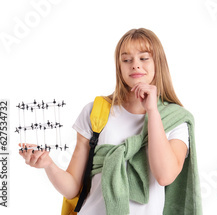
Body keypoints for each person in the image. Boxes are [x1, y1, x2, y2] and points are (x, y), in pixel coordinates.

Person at [19, 28, 201, 214]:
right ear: (119, 67)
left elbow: (164, 176)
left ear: (158, 63)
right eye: (126, 59)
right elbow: (73, 188)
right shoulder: (95, 111)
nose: (135, 65)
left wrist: (152, 110)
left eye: (144, 58)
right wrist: (48, 164)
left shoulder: (176, 119)